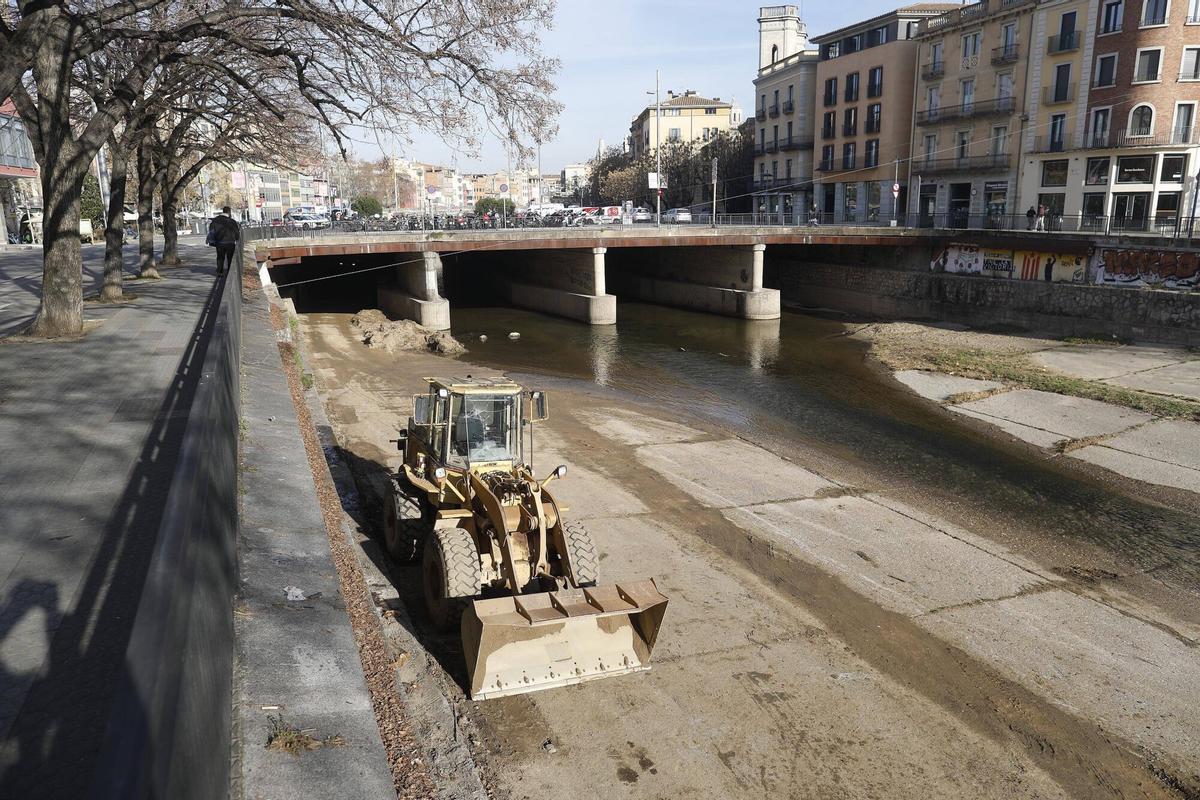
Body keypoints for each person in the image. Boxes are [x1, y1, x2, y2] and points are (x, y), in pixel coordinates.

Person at [207, 206, 240, 274]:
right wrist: (236, 238)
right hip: (230, 242)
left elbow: (212, 231)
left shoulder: (215, 220)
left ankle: (220, 272)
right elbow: (237, 232)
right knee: (230, 258)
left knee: (220, 258)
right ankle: (230, 273)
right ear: (229, 212)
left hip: (220, 242)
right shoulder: (232, 221)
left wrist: (211, 241)